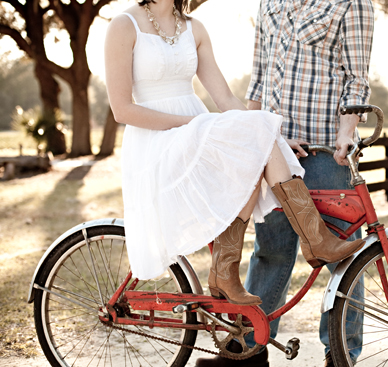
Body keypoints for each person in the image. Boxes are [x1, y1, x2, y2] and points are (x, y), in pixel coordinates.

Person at [104, 0, 366, 309]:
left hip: (195, 132)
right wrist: (192, 124)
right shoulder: (123, 25)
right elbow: (122, 110)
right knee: (252, 139)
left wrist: (272, 137)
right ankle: (313, 240)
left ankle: (232, 268)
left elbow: (226, 98)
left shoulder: (194, 28)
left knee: (253, 144)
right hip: (156, 141)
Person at [195, 0, 374, 366]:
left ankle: (341, 355)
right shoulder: (270, 3)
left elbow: (356, 79)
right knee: (269, 252)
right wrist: (253, 137)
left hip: (325, 153)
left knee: (344, 259)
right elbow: (259, 78)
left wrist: (346, 132)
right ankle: (246, 352)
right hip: (274, 152)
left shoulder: (352, 4)